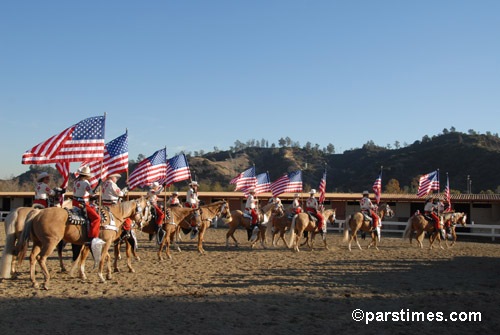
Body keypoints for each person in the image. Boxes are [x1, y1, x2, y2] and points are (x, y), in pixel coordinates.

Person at [72, 166, 104, 262]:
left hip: (75, 203)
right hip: (83, 204)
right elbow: (92, 193)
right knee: (97, 218)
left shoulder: (76, 181)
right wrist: (98, 185)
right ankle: (92, 238)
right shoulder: (85, 182)